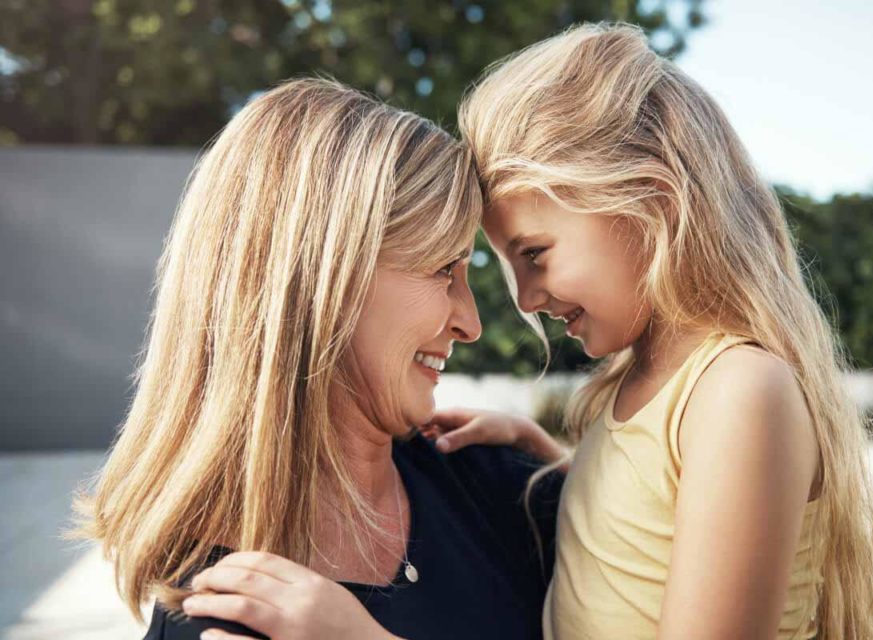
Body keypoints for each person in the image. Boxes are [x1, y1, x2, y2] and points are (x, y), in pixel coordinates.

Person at [434, 22, 873, 640]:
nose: (526, 298)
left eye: (535, 254)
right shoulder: (645, 381)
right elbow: (650, 524)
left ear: (649, 199)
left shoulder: (739, 390)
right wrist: (542, 453)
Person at [70, 77, 562, 640]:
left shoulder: (502, 486)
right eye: (442, 269)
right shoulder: (221, 615)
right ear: (323, 283)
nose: (470, 324)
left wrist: (576, 477)